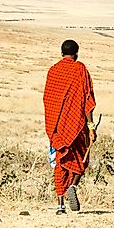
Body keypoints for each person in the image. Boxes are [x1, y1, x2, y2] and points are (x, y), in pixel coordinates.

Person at [43, 39, 97, 214]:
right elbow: (87, 99)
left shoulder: (53, 71)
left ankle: (60, 205)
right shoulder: (80, 69)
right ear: (77, 53)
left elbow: (48, 99)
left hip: (56, 127)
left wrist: (52, 126)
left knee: (61, 161)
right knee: (82, 158)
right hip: (76, 125)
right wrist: (91, 125)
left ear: (61, 53)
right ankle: (72, 185)